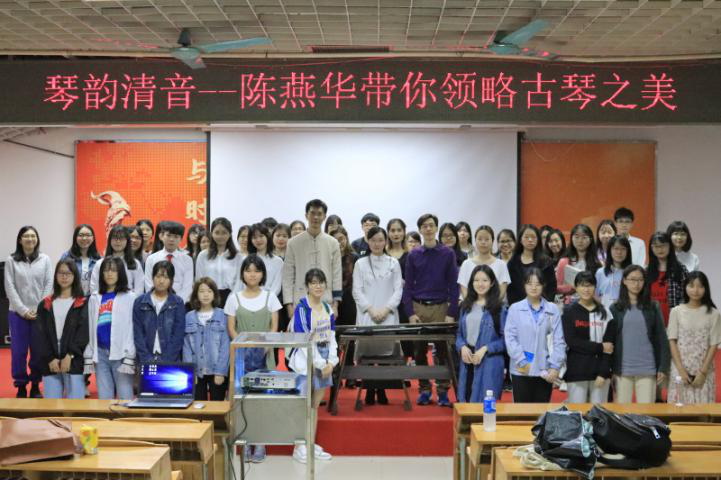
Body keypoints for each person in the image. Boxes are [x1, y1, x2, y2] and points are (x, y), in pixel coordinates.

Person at [402, 213, 459, 407]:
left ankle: (443, 392)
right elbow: (408, 287)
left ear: (436, 228)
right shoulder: (413, 255)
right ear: (420, 229)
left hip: (441, 307)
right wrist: (411, 313)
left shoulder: (447, 254)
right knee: (419, 352)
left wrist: (451, 313)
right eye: (424, 226)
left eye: (431, 225)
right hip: (419, 307)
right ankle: (424, 390)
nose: (428, 229)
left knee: (442, 351)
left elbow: (454, 285)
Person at [287, 268, 337, 464]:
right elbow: (304, 339)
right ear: (307, 286)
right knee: (304, 404)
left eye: (321, 282)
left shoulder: (327, 308)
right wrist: (320, 363)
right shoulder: (301, 308)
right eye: (314, 283)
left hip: (324, 358)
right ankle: (299, 446)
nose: (318, 286)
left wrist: (331, 361)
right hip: (305, 359)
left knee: (315, 404)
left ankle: (310, 442)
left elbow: (332, 336)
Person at [352, 226, 403, 405]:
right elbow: (357, 290)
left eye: (380, 240)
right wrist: (371, 309)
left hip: (388, 315)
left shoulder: (393, 263)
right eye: (373, 240)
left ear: (386, 241)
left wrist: (387, 309)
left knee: (384, 356)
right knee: (367, 354)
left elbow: (398, 289)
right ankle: (368, 389)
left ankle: (381, 389)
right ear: (368, 241)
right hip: (367, 315)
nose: (377, 244)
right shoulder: (360, 263)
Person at [609, 265, 670, 404]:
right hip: (622, 370)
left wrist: (663, 367)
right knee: (622, 413)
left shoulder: (653, 306)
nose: (636, 284)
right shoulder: (615, 308)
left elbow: (662, 337)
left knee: (646, 412)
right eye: (632, 279)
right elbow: (610, 340)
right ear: (624, 281)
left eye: (640, 280)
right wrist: (610, 368)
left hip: (647, 368)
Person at [504, 268, 565, 403]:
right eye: (529, 283)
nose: (533, 287)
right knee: (522, 412)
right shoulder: (515, 309)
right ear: (524, 285)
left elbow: (559, 340)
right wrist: (522, 361)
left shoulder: (552, 309)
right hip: (521, 369)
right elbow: (510, 338)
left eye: (537, 284)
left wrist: (555, 367)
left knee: (541, 412)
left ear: (543, 285)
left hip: (545, 370)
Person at [5, 226, 53, 398]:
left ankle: (35, 384)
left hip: (40, 315)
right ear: (20, 240)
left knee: (38, 351)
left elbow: (48, 284)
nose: (30, 239)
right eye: (26, 236)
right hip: (17, 314)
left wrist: (39, 308)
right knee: (19, 352)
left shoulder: (45, 259)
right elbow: (9, 287)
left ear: (37, 239)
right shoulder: (11, 260)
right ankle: (20, 385)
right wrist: (23, 311)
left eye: (33, 236)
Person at [34, 259, 89, 399]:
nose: (64, 277)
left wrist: (70, 355)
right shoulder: (45, 304)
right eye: (61, 273)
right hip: (50, 362)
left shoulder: (82, 303)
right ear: (55, 276)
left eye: (68, 273)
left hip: (73, 361)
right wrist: (50, 358)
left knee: (76, 407)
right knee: (52, 407)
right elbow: (40, 335)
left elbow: (83, 334)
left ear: (75, 276)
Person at [85, 257, 137, 400]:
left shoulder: (130, 297)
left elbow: (132, 327)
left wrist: (130, 353)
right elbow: (90, 326)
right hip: (100, 353)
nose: (109, 274)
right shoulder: (95, 297)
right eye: (106, 270)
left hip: (121, 353)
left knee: (125, 396)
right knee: (104, 397)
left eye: (114, 270)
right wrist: (90, 351)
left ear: (120, 273)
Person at [282, 199, 342, 318]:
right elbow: (288, 276)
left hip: (326, 301)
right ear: (306, 215)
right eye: (312, 213)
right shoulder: (293, 243)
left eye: (319, 214)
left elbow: (337, 274)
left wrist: (336, 305)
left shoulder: (333, 243)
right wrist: (289, 305)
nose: (315, 217)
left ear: (324, 217)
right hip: (300, 301)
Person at [561, 271, 616, 403]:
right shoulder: (569, 312)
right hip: (577, 371)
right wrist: (600, 347)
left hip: (600, 373)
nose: (586, 289)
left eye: (589, 285)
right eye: (582, 285)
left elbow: (610, 347)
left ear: (595, 287)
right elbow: (572, 342)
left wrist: (603, 373)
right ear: (576, 287)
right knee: (577, 412)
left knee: (599, 412)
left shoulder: (605, 313)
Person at [667, 271, 721, 404]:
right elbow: (672, 341)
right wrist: (681, 370)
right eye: (691, 286)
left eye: (700, 286)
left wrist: (703, 372)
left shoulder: (714, 314)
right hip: (680, 367)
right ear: (685, 287)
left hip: (703, 369)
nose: (695, 290)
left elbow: (714, 344)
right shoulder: (676, 311)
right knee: (678, 408)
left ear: (705, 289)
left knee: (702, 410)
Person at [456, 265, 507, 403]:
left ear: (492, 283)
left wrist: (485, 349)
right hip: (467, 361)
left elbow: (505, 341)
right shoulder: (465, 306)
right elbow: (459, 334)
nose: (480, 284)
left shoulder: (500, 308)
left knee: (486, 407)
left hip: (489, 363)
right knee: (466, 402)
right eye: (476, 280)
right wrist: (462, 347)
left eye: (485, 280)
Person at [184, 277, 229, 402]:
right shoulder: (189, 317)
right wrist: (190, 372)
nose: (205, 295)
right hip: (197, 371)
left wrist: (221, 372)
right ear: (196, 295)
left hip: (217, 370)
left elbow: (225, 346)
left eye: (209, 291)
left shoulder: (223, 315)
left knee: (217, 406)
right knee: (198, 406)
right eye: (202, 291)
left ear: (214, 294)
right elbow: (186, 347)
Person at [134, 261, 186, 363]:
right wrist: (147, 359)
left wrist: (166, 360)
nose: (161, 281)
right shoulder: (140, 302)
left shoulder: (178, 302)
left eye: (166, 277)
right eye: (158, 276)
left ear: (171, 280)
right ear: (152, 277)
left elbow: (178, 336)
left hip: (171, 360)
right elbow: (138, 334)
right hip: (145, 359)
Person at [195, 217, 242, 306]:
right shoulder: (203, 255)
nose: (220, 236)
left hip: (231, 297)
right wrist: (204, 296)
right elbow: (199, 279)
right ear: (211, 233)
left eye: (224, 232)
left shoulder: (237, 256)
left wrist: (232, 298)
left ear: (230, 234)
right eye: (217, 232)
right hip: (208, 296)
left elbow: (239, 281)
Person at [506, 224, 556, 306]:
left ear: (538, 240)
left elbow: (551, 287)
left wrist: (546, 306)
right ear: (520, 240)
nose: (530, 240)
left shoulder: (546, 262)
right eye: (526, 237)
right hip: (518, 307)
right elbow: (510, 289)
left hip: (542, 306)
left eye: (533, 237)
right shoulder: (513, 262)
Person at [144, 221, 193, 303]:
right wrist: (158, 302)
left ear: (181, 239)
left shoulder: (187, 260)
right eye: (168, 235)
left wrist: (177, 303)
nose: (171, 239)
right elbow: (148, 284)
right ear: (162, 236)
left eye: (176, 236)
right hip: (156, 303)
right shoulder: (151, 259)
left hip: (179, 303)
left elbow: (187, 287)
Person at [458, 226, 511, 301]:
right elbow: (463, 289)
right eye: (480, 239)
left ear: (492, 241)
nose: (483, 242)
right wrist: (474, 305)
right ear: (475, 241)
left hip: (495, 306)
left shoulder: (501, 264)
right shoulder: (466, 264)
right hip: (471, 306)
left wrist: (491, 305)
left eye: (487, 239)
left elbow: (502, 291)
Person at [647, 231, 689, 325]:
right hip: (652, 324)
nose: (660, 249)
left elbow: (686, 297)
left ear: (670, 246)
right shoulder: (646, 272)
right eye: (656, 246)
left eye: (663, 245)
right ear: (651, 248)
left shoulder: (681, 270)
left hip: (676, 322)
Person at [90, 225, 144, 295]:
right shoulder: (100, 263)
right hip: (104, 300)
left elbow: (139, 290)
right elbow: (94, 289)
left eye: (121, 238)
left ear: (127, 241)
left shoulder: (135, 263)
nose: (118, 241)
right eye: (115, 238)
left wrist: (130, 300)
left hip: (129, 301)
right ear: (110, 240)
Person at [555, 224, 601, 305]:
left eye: (584, 237)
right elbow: (557, 287)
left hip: (590, 304)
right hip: (569, 304)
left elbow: (599, 289)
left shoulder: (596, 263)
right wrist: (573, 287)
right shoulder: (564, 262)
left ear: (590, 240)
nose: (580, 241)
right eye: (576, 237)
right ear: (571, 239)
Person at [61, 224, 101, 295]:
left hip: (92, 298)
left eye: (88, 235)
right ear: (75, 238)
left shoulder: (98, 259)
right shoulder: (66, 257)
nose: (84, 238)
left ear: (93, 238)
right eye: (81, 235)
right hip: (72, 297)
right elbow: (60, 277)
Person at [595, 235, 632, 310]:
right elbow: (594, 295)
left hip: (626, 311)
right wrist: (605, 303)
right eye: (616, 248)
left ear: (628, 251)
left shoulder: (632, 272)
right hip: (604, 312)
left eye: (623, 249)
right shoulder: (600, 272)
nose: (619, 252)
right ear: (610, 250)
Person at [248, 223, 283, 299]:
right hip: (249, 299)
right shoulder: (246, 260)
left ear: (267, 236)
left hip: (270, 301)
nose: (258, 240)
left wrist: (266, 300)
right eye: (254, 237)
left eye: (261, 236)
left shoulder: (278, 261)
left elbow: (277, 286)